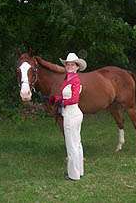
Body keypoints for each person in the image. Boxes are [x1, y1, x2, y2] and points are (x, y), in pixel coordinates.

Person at [49, 52, 87, 181]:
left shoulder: (75, 80)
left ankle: (73, 175)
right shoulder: (68, 79)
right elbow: (66, 95)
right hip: (71, 114)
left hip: (72, 115)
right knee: (77, 143)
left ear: (77, 67)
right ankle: (79, 171)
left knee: (72, 145)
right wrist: (55, 98)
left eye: (72, 64)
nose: (70, 66)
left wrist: (62, 102)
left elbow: (74, 99)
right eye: (68, 64)